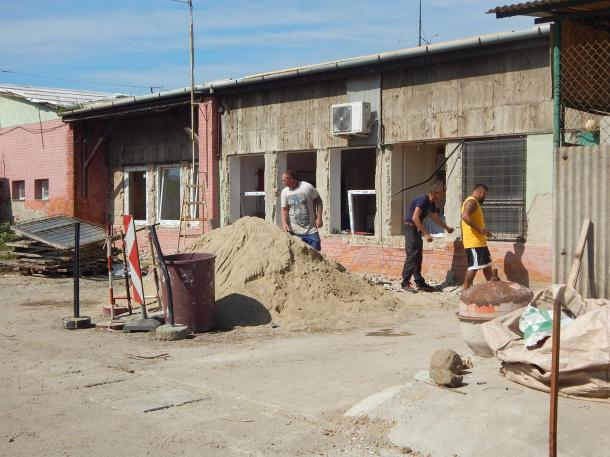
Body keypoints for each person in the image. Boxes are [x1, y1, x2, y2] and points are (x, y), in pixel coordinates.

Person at [401, 182, 454, 293]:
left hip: (416, 229)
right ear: (434, 193)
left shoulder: (432, 203)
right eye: (440, 194)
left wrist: (447, 228)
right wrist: (426, 233)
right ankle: (405, 283)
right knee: (412, 255)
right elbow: (415, 218)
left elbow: (435, 218)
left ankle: (419, 282)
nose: (442, 196)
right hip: (410, 227)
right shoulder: (423, 199)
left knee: (418, 255)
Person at [460, 184, 493, 289]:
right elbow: (465, 216)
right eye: (485, 195)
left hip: (480, 241)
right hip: (474, 242)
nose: (485, 198)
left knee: (487, 266)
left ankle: (493, 287)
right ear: (482, 192)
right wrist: (479, 229)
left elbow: (474, 221)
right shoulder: (472, 202)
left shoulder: (474, 203)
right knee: (473, 268)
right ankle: (465, 290)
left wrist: (484, 231)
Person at [280, 169, 323, 250]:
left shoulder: (307, 187)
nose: (283, 183)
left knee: (316, 250)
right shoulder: (284, 192)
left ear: (290, 178)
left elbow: (319, 201)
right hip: (294, 231)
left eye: (284, 180)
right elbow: (284, 209)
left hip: (310, 230)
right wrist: (284, 223)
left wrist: (319, 217)